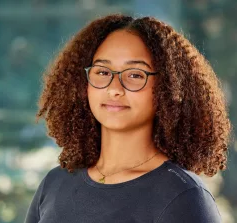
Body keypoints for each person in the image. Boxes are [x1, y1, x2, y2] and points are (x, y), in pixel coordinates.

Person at [27, 14, 229, 222]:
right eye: (103, 72)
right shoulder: (55, 183)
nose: (114, 89)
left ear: (168, 88)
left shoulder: (184, 196)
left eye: (135, 75)